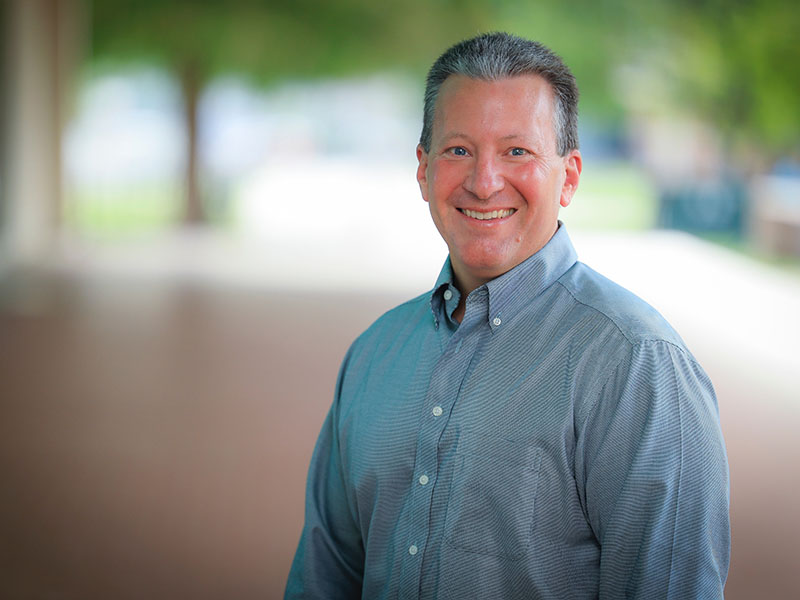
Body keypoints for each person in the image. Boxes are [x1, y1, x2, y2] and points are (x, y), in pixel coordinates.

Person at [285, 32, 730, 599]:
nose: (484, 181)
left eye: (517, 151)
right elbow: (324, 582)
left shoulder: (639, 368)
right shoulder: (374, 354)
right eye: (458, 150)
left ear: (568, 177)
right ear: (423, 170)